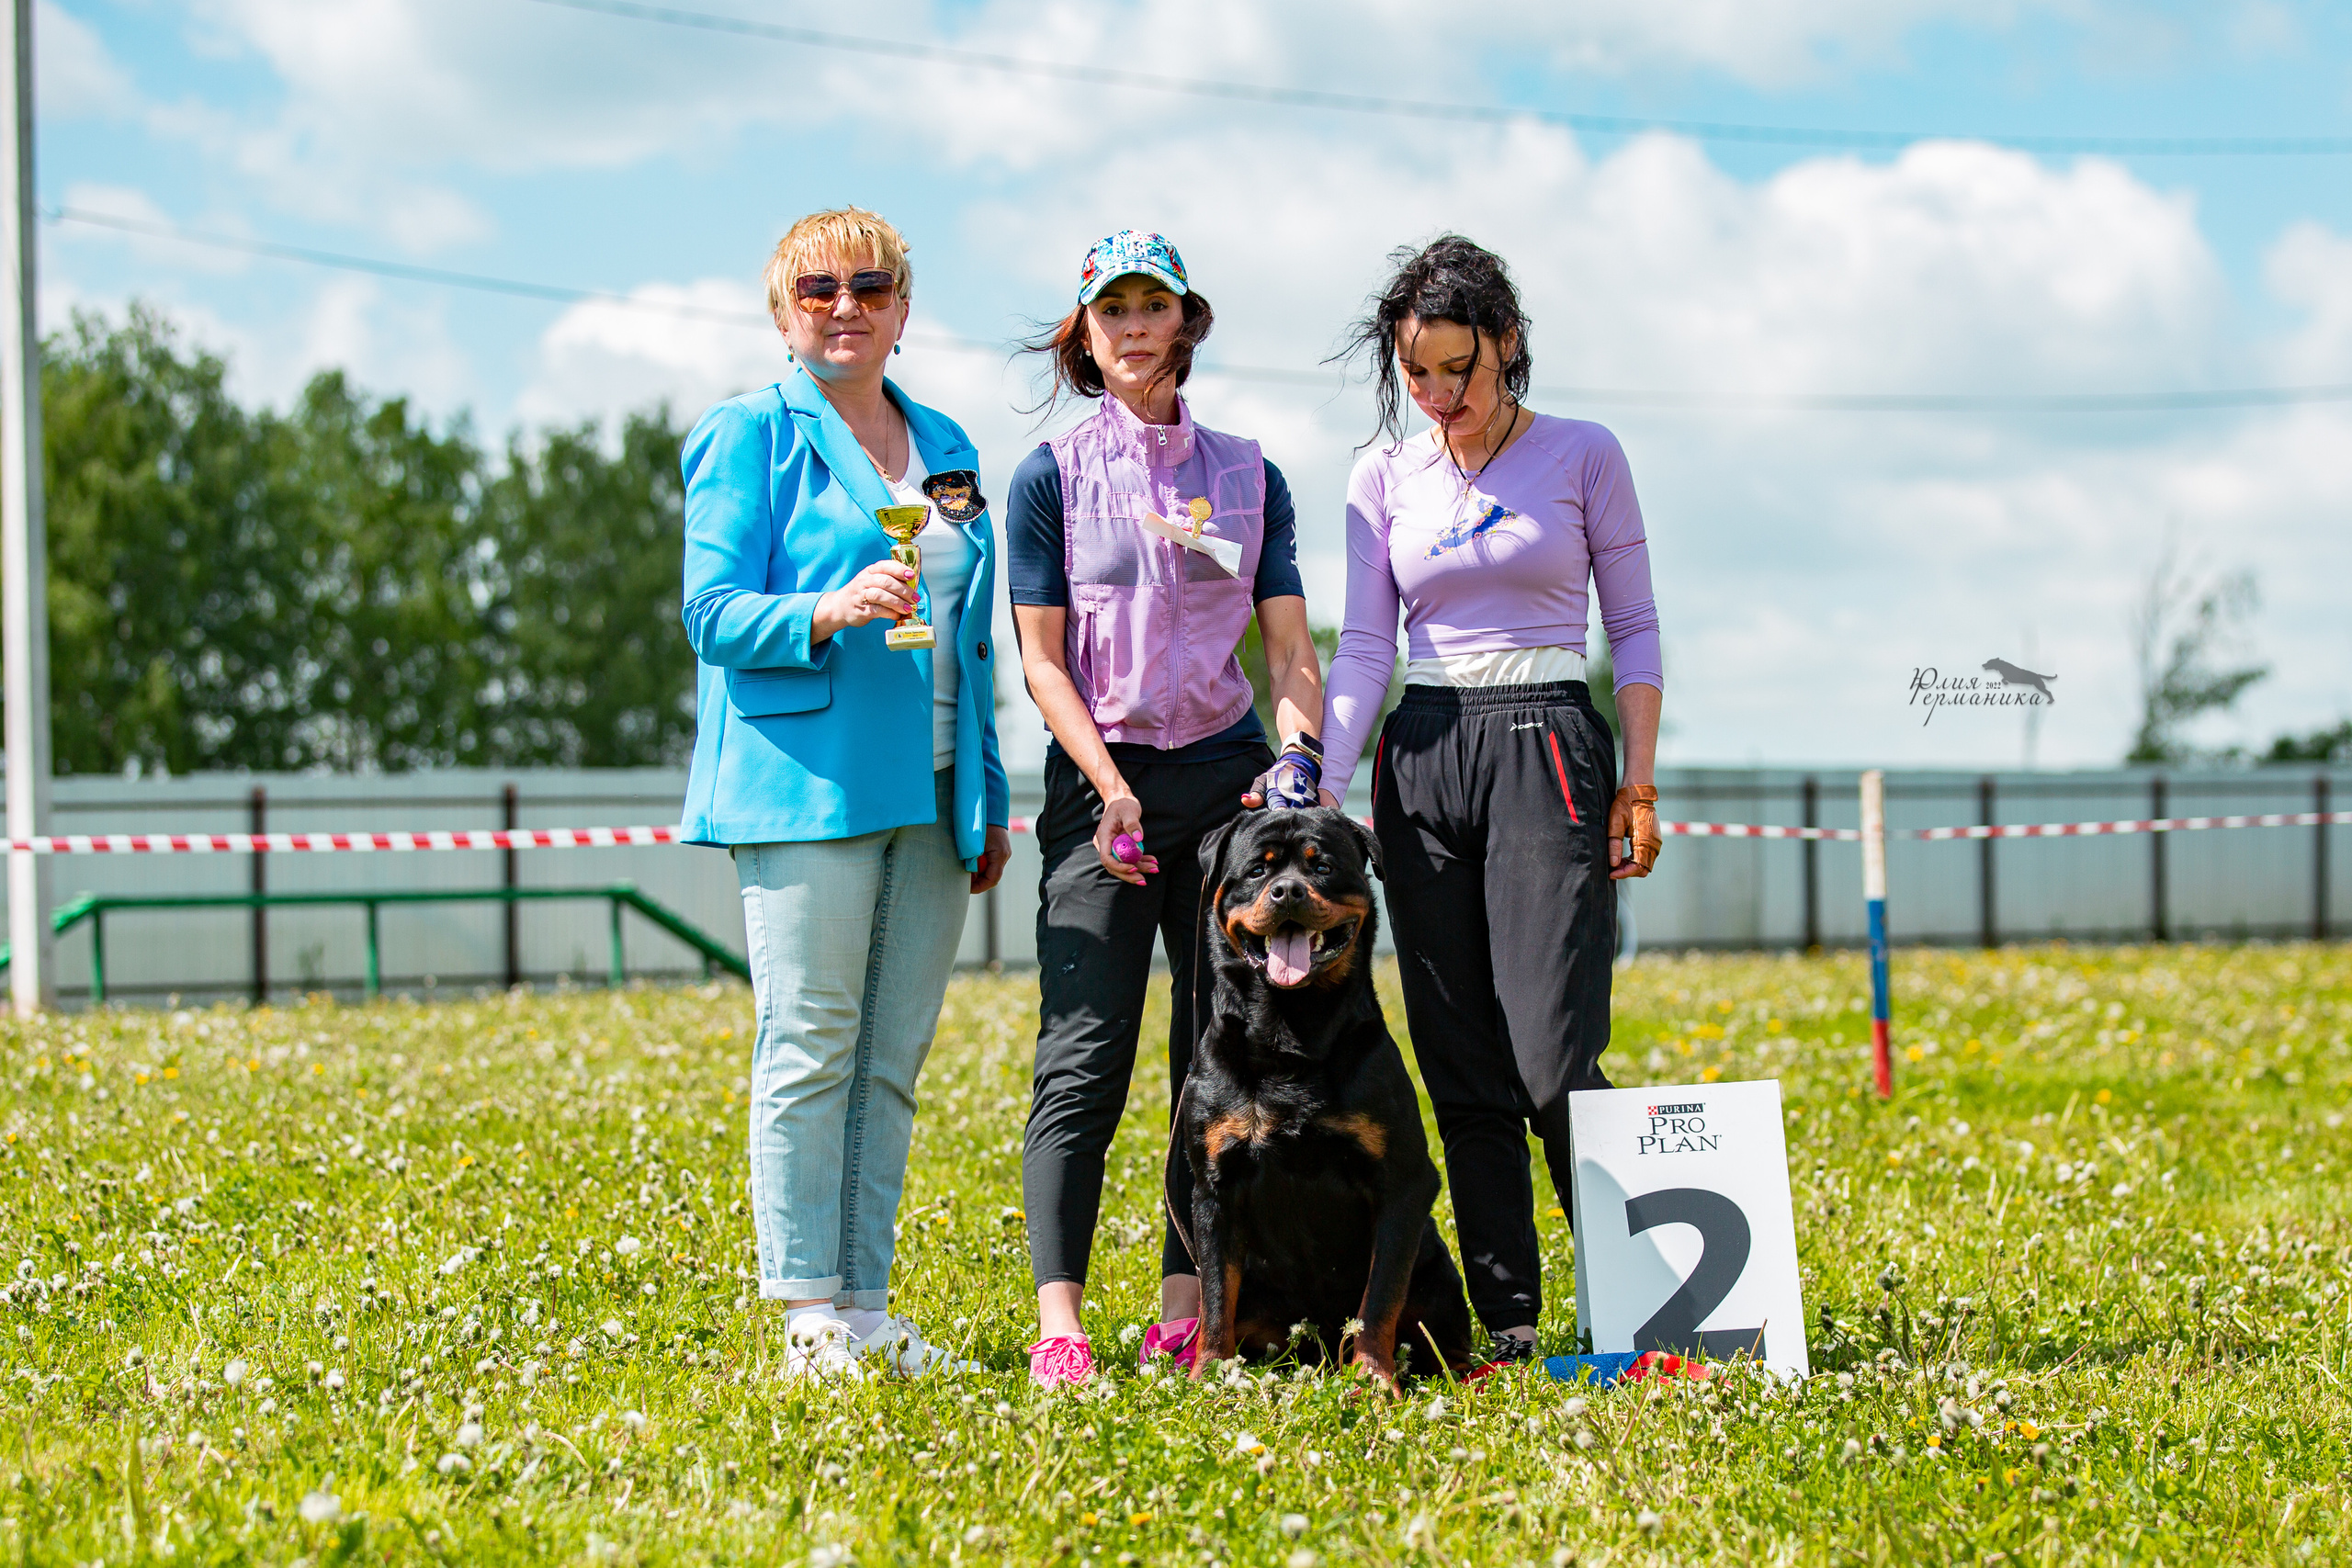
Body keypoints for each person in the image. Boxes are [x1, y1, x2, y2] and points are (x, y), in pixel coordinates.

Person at [678, 207, 1013, 1381]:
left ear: (902, 311)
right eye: (816, 289)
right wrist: (826, 608)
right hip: (804, 788)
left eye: (870, 287)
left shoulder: (948, 442)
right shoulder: (744, 434)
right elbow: (710, 615)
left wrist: (984, 791)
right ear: (782, 314)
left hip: (935, 786)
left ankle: (865, 1311)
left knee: (889, 1059)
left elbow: (970, 635)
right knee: (811, 1044)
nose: (844, 307)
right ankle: (804, 1314)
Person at [1318, 235, 1666, 1368]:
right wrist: (1319, 781)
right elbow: (1365, 647)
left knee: (1552, 1057)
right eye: (1415, 374)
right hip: (1421, 752)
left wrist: (1637, 780)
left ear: (1507, 343)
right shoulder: (1382, 477)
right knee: (1461, 1066)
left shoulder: (1583, 452)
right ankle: (1510, 1325)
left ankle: (1639, 1307)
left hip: (1546, 738)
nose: (1438, 395)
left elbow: (1636, 628)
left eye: (1458, 369)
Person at [1009, 231, 1330, 1387]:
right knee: (1082, 1060)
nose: (1136, 326)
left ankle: (1186, 1309)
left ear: (1186, 321)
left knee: (1216, 1060)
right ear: (1085, 334)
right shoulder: (1048, 475)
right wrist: (1109, 790)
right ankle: (1060, 1324)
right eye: (1114, 309)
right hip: (1101, 786)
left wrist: (1297, 761)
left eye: (1155, 305)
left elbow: (1289, 650)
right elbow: (1041, 662)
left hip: (1224, 785)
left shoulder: (1250, 474)